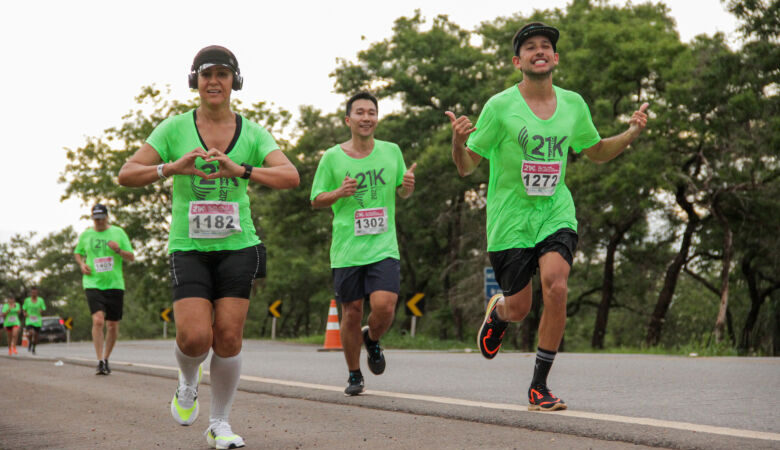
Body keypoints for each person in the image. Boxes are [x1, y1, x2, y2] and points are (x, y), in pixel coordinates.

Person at [446, 22, 649, 411]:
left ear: (555, 58)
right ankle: (499, 313)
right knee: (520, 308)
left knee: (557, 286)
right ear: (517, 60)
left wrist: (629, 134)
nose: (538, 51)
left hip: (555, 210)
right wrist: (458, 143)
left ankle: (539, 386)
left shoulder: (573, 104)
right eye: (529, 47)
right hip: (510, 219)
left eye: (545, 47)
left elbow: (595, 150)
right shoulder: (500, 106)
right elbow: (467, 167)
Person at [118, 45, 299, 449]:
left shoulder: (251, 132)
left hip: (240, 245)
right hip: (190, 248)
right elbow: (126, 174)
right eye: (206, 74)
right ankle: (187, 380)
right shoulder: (173, 129)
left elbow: (291, 176)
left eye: (222, 73)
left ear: (235, 80)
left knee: (229, 338)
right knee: (195, 338)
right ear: (194, 82)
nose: (214, 81)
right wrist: (172, 167)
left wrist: (242, 169)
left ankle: (220, 422)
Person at [310, 91, 416, 396]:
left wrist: (407, 187)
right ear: (348, 120)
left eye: (371, 112)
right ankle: (354, 373)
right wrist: (339, 193)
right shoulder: (332, 157)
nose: (366, 117)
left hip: (383, 246)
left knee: (385, 306)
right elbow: (316, 200)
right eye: (360, 112)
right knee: (352, 312)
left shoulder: (391, 151)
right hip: (347, 249)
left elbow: (402, 192)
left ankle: (372, 339)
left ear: (376, 118)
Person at [74, 203, 135, 375]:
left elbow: (131, 257)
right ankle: (99, 360)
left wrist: (118, 250)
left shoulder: (118, 233)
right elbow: (77, 252)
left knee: (113, 325)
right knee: (98, 321)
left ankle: (107, 358)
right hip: (93, 283)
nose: (99, 222)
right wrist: (82, 264)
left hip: (115, 284)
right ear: (92, 218)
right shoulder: (86, 234)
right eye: (96, 219)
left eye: (101, 219)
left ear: (107, 217)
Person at [22, 286, 46, 354]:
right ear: (31, 293)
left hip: (37, 320)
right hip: (29, 320)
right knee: (31, 333)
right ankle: (30, 342)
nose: (34, 293)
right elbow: (24, 308)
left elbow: (43, 308)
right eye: (33, 292)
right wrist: (24, 313)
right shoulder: (27, 300)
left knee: (36, 336)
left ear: (37, 292)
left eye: (35, 292)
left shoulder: (41, 300)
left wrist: (42, 310)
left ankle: (33, 347)